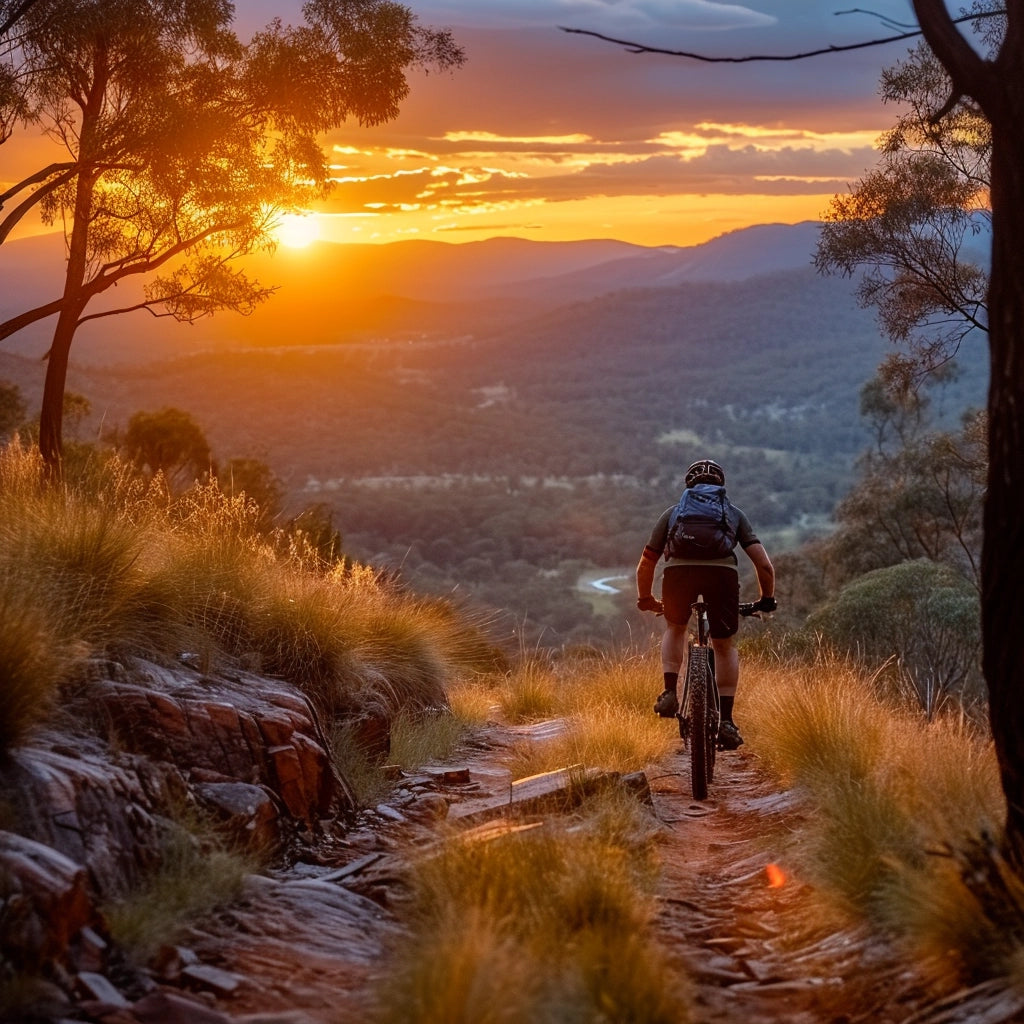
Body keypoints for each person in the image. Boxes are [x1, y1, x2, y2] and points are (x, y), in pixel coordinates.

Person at [635, 458, 775, 749]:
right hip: (721, 577)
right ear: (721, 485)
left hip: (678, 575)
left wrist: (646, 598)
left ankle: (669, 692)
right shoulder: (733, 514)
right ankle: (726, 721)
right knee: (723, 645)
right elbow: (764, 566)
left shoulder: (673, 513)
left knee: (675, 628)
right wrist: (766, 599)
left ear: (689, 484)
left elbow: (646, 563)